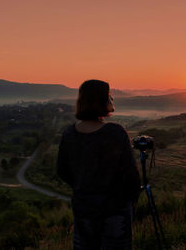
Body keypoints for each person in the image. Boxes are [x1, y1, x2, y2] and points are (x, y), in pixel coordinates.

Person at [56, 79, 141, 250]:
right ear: (101, 100)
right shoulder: (114, 132)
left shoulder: (69, 133)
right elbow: (131, 175)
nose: (112, 99)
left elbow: (62, 170)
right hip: (115, 210)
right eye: (110, 95)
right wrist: (131, 200)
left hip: (83, 208)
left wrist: (83, 186)